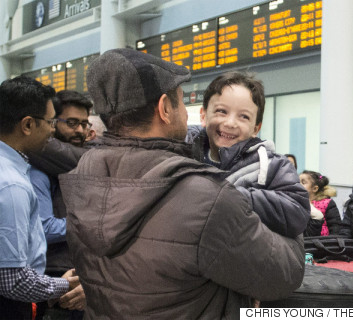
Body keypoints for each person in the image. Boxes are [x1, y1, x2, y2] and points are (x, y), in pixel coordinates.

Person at [59, 48, 305, 319]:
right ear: (165, 109)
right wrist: (287, 222)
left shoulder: (85, 172)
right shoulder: (204, 198)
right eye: (180, 102)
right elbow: (285, 273)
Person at [188, 71, 310, 238]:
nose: (230, 123)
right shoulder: (182, 153)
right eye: (221, 111)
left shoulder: (273, 166)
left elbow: (297, 212)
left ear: (256, 128)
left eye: (243, 116)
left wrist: (230, 197)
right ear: (203, 115)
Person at [0, 76, 83, 318]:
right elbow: (12, 280)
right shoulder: (11, 185)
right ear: (27, 125)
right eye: (49, 121)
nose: (52, 129)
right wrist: (62, 285)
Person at [28, 89, 91, 318]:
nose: (80, 131)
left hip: (82, 275)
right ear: (53, 123)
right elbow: (42, 228)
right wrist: (87, 224)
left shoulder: (84, 163)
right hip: (55, 277)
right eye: (72, 123)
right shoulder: (40, 172)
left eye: (84, 124)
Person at [300, 170, 349, 237]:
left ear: (315, 188)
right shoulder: (296, 202)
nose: (298, 184)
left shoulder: (327, 203)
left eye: (303, 182)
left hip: (323, 243)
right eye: (297, 181)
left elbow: (335, 228)